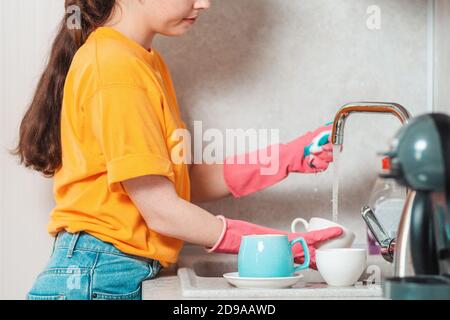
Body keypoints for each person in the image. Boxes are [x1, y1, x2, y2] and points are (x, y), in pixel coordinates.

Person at [12, 0, 342, 300]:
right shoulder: (115, 68)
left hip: (106, 269)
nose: (205, 3)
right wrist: (281, 249)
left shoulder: (139, 60)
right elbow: (162, 210)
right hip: (99, 274)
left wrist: (288, 157)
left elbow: (179, 181)